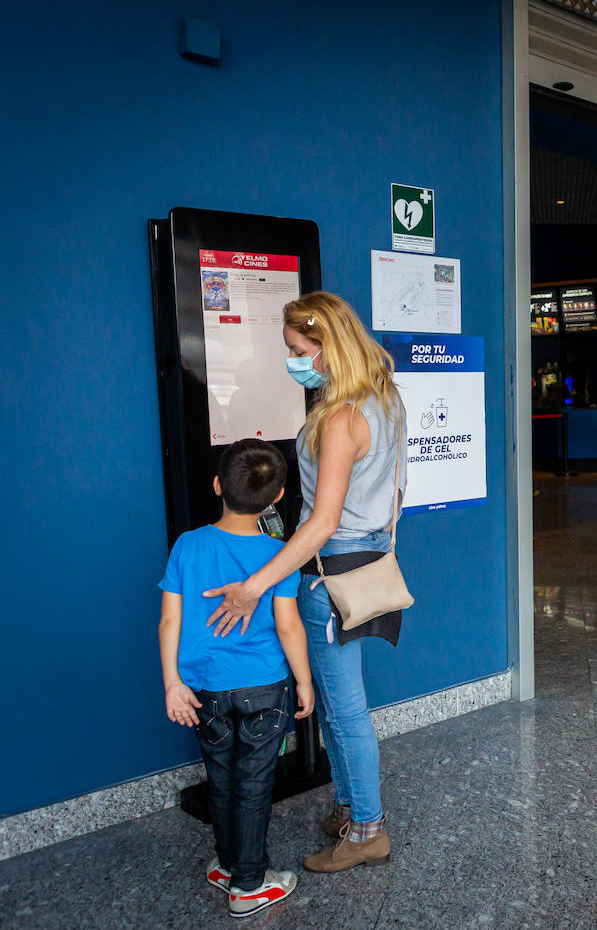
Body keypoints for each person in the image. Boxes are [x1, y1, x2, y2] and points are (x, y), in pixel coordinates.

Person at [202, 291, 406, 873]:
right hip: (365, 565)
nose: (293, 360)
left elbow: (320, 524)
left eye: (298, 350)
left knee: (344, 711)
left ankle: (368, 828)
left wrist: (254, 584)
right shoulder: (384, 398)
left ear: (327, 346)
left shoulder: (341, 419)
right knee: (343, 707)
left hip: (328, 577)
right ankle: (351, 808)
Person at [158, 439, 314, 919]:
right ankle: (248, 885)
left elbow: (169, 621)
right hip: (265, 689)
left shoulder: (188, 545)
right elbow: (288, 624)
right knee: (253, 785)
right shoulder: (279, 554)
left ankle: (228, 865)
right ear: (277, 497)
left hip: (204, 691)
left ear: (216, 486)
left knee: (222, 780)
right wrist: (304, 682)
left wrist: (172, 683)